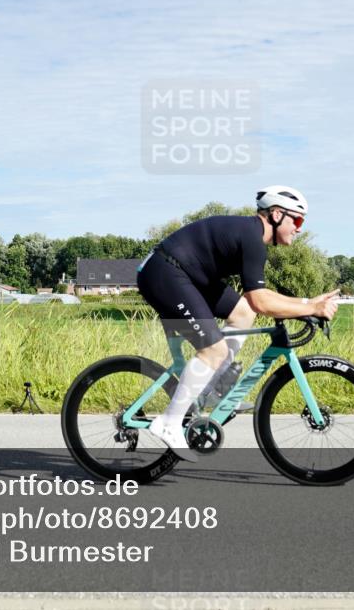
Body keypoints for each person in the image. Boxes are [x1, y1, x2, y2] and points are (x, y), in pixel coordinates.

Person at [137, 185, 340, 461]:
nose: (300, 228)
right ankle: (169, 423)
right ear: (277, 214)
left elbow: (254, 303)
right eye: (299, 220)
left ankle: (210, 389)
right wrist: (310, 306)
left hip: (189, 276)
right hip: (165, 273)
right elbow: (261, 300)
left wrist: (307, 305)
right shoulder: (253, 238)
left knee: (243, 313)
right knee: (214, 350)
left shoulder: (253, 236)